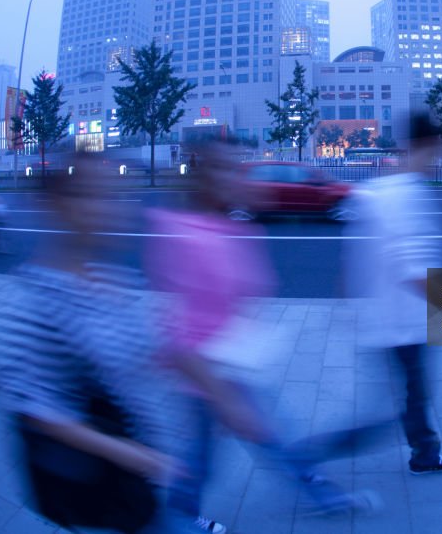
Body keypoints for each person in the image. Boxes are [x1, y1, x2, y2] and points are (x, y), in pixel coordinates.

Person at [147, 136, 376, 533]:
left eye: (235, 168)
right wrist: (222, 397)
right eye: (224, 170)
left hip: (233, 363)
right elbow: (176, 331)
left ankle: (317, 495)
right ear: (202, 179)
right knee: (247, 445)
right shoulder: (185, 234)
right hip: (209, 374)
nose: (236, 177)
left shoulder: (229, 227)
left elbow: (247, 289)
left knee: (254, 442)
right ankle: (180, 518)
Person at [0, 152, 177, 533]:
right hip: (96, 487)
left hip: (135, 471)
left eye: (113, 196)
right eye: (93, 196)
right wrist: (137, 457)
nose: (109, 209)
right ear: (58, 205)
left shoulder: (109, 273)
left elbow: (136, 357)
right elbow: (39, 412)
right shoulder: (31, 302)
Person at [344, 112, 442, 475]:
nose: (441, 159)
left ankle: (424, 453)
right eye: (440, 150)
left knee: (410, 396)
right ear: (427, 146)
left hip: (391, 318)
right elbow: (411, 268)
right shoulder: (408, 194)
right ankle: (303, 458)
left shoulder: (384, 188)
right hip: (404, 321)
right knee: (404, 402)